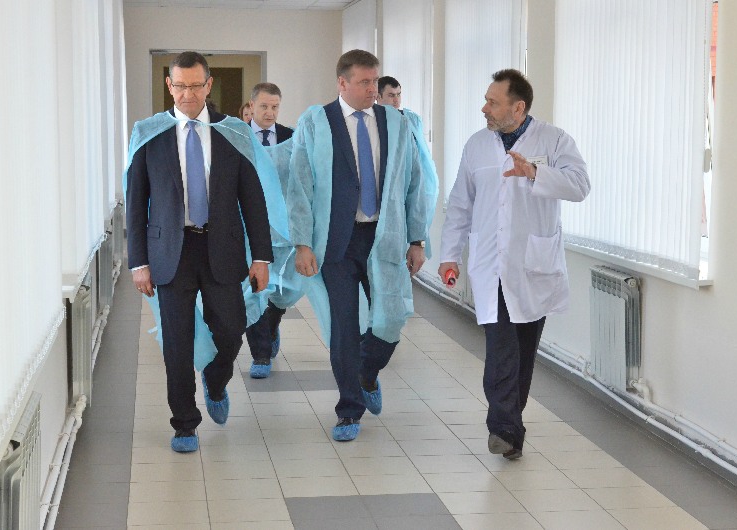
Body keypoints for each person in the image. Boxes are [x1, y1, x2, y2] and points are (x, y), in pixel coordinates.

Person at [126, 51, 274, 453]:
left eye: (195, 86)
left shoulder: (232, 133)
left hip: (222, 246)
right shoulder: (149, 133)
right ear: (169, 85)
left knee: (231, 328)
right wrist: (138, 262)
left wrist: (261, 257)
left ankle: (216, 377)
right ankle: (184, 424)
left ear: (208, 85)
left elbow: (253, 199)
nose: (187, 94)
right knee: (177, 342)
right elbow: (136, 202)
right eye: (179, 86)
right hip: (170, 251)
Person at [438, 69, 590, 460]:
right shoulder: (476, 145)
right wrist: (449, 255)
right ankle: (502, 427)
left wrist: (535, 172)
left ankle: (511, 428)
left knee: (522, 351)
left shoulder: (554, 140)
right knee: (501, 348)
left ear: (517, 107)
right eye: (486, 100)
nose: (484, 108)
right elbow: (461, 203)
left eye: (493, 102)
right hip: (490, 263)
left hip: (533, 264)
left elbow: (580, 186)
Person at [287, 49, 437, 442]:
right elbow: (299, 185)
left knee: (391, 319)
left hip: (384, 236)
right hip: (335, 241)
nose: (373, 89)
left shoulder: (395, 123)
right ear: (342, 83)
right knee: (344, 327)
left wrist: (417, 238)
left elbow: (414, 181)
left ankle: (367, 372)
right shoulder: (316, 122)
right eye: (364, 82)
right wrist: (302, 243)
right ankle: (348, 410)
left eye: (375, 81)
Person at [244, 82, 295, 379]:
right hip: (246, 226)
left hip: (281, 227)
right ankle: (261, 354)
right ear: (251, 106)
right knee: (253, 290)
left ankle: (273, 324)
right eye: (264, 106)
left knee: (281, 290)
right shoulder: (237, 137)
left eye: (275, 107)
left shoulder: (291, 137)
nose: (270, 112)